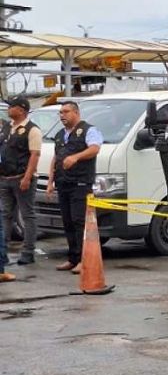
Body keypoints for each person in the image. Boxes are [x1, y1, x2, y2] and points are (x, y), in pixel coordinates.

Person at [46, 102, 102, 274]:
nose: (62, 115)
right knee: (68, 222)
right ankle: (73, 258)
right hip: (64, 184)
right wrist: (50, 181)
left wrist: (76, 157)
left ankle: (83, 260)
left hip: (80, 183)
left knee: (80, 223)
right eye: (60, 112)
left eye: (66, 112)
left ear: (76, 113)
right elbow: (56, 158)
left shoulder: (88, 130)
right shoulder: (59, 135)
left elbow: (94, 148)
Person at [0, 96, 42, 265]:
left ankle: (28, 252)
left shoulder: (32, 130)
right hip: (5, 179)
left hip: (22, 179)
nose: (9, 109)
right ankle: (3, 253)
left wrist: (27, 177)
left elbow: (35, 155)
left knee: (27, 215)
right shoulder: (6, 128)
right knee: (5, 216)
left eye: (12, 106)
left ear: (22, 110)